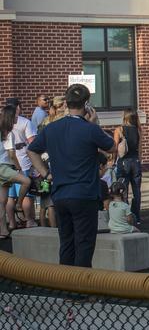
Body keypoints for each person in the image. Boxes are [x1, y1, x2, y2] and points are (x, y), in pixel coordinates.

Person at [27, 84, 114, 267]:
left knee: (66, 242)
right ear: (87, 104)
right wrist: (94, 122)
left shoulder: (51, 128)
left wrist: (46, 173)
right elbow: (113, 147)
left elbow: (32, 151)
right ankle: (81, 291)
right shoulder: (90, 129)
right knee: (84, 244)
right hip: (85, 194)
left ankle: (66, 288)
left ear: (66, 103)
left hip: (60, 193)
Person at [0, 105, 32, 238]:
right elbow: (12, 154)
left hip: (3, 167)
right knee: (26, 181)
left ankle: (3, 231)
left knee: (2, 202)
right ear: (11, 117)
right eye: (16, 116)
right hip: (4, 167)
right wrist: (18, 167)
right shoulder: (8, 132)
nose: (17, 118)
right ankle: (19, 205)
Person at [5, 98, 37, 228]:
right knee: (26, 195)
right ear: (18, 107)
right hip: (22, 161)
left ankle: (12, 223)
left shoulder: (3, 122)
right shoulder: (25, 122)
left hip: (6, 162)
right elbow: (33, 142)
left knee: (9, 197)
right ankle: (29, 220)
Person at [113, 108, 142, 226]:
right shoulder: (138, 130)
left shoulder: (119, 130)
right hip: (135, 162)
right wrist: (139, 161)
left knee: (122, 189)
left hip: (123, 162)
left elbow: (114, 148)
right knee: (136, 191)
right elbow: (140, 149)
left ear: (125, 117)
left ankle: (124, 215)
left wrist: (112, 161)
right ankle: (136, 217)